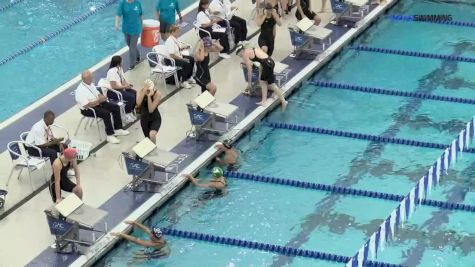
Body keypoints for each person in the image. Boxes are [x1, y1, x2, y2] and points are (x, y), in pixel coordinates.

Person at [75, 70, 129, 144]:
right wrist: (98, 101)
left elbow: (97, 94)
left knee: (115, 107)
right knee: (106, 113)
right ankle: (109, 135)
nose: (92, 78)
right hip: (88, 109)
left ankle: (118, 129)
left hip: (98, 103)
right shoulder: (80, 90)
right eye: (90, 77)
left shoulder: (90, 84)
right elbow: (86, 105)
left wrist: (102, 97)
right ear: (85, 79)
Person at [236, 43, 288, 110]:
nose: (240, 56)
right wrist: (260, 72)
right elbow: (261, 59)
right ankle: (280, 100)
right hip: (270, 62)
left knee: (265, 83)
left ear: (241, 51)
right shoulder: (251, 49)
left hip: (266, 64)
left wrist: (249, 84)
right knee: (267, 83)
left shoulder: (245, 54)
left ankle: (267, 101)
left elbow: (249, 71)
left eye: (239, 55)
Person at [107, 55, 137, 120]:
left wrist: (127, 85)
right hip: (113, 92)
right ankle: (126, 113)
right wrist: (124, 86)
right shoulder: (111, 72)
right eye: (122, 61)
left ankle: (130, 110)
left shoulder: (120, 68)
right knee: (130, 97)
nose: (123, 61)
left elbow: (122, 80)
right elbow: (113, 86)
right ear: (118, 63)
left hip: (121, 88)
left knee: (135, 93)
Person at [115, 0, 143, 70]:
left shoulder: (137, 3)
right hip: (126, 29)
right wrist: (116, 23)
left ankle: (132, 64)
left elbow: (141, 14)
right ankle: (137, 55)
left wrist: (142, 25)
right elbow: (118, 15)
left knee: (132, 48)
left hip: (136, 29)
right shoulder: (122, 3)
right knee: (130, 45)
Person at [136, 79, 162, 144]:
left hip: (155, 117)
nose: (148, 91)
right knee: (148, 139)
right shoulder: (140, 91)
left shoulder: (157, 93)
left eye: (149, 90)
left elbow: (151, 110)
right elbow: (138, 103)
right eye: (147, 90)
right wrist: (144, 91)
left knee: (152, 135)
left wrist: (149, 97)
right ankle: (151, 149)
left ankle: (154, 149)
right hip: (144, 119)